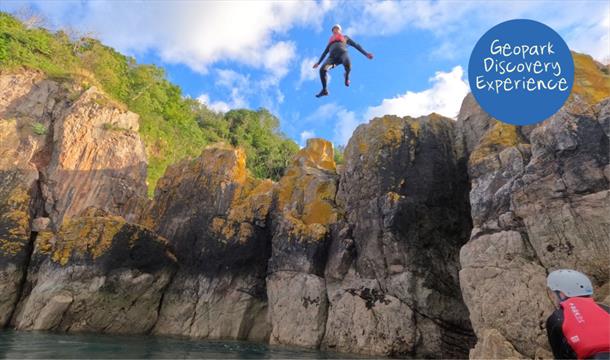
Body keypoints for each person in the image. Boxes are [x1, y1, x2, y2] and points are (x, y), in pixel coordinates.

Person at [546, 269, 610, 359]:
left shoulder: (557, 318)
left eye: (553, 294)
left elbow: (559, 355)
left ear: (562, 294)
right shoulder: (606, 309)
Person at [313, 24, 374, 97]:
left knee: (348, 64)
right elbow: (325, 53)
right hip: (332, 58)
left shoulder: (345, 37)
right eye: (333, 29)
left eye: (336, 28)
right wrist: (319, 62)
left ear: (340, 30)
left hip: (343, 54)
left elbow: (356, 45)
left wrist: (366, 53)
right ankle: (324, 90)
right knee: (322, 70)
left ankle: (346, 76)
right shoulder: (330, 42)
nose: (335, 30)